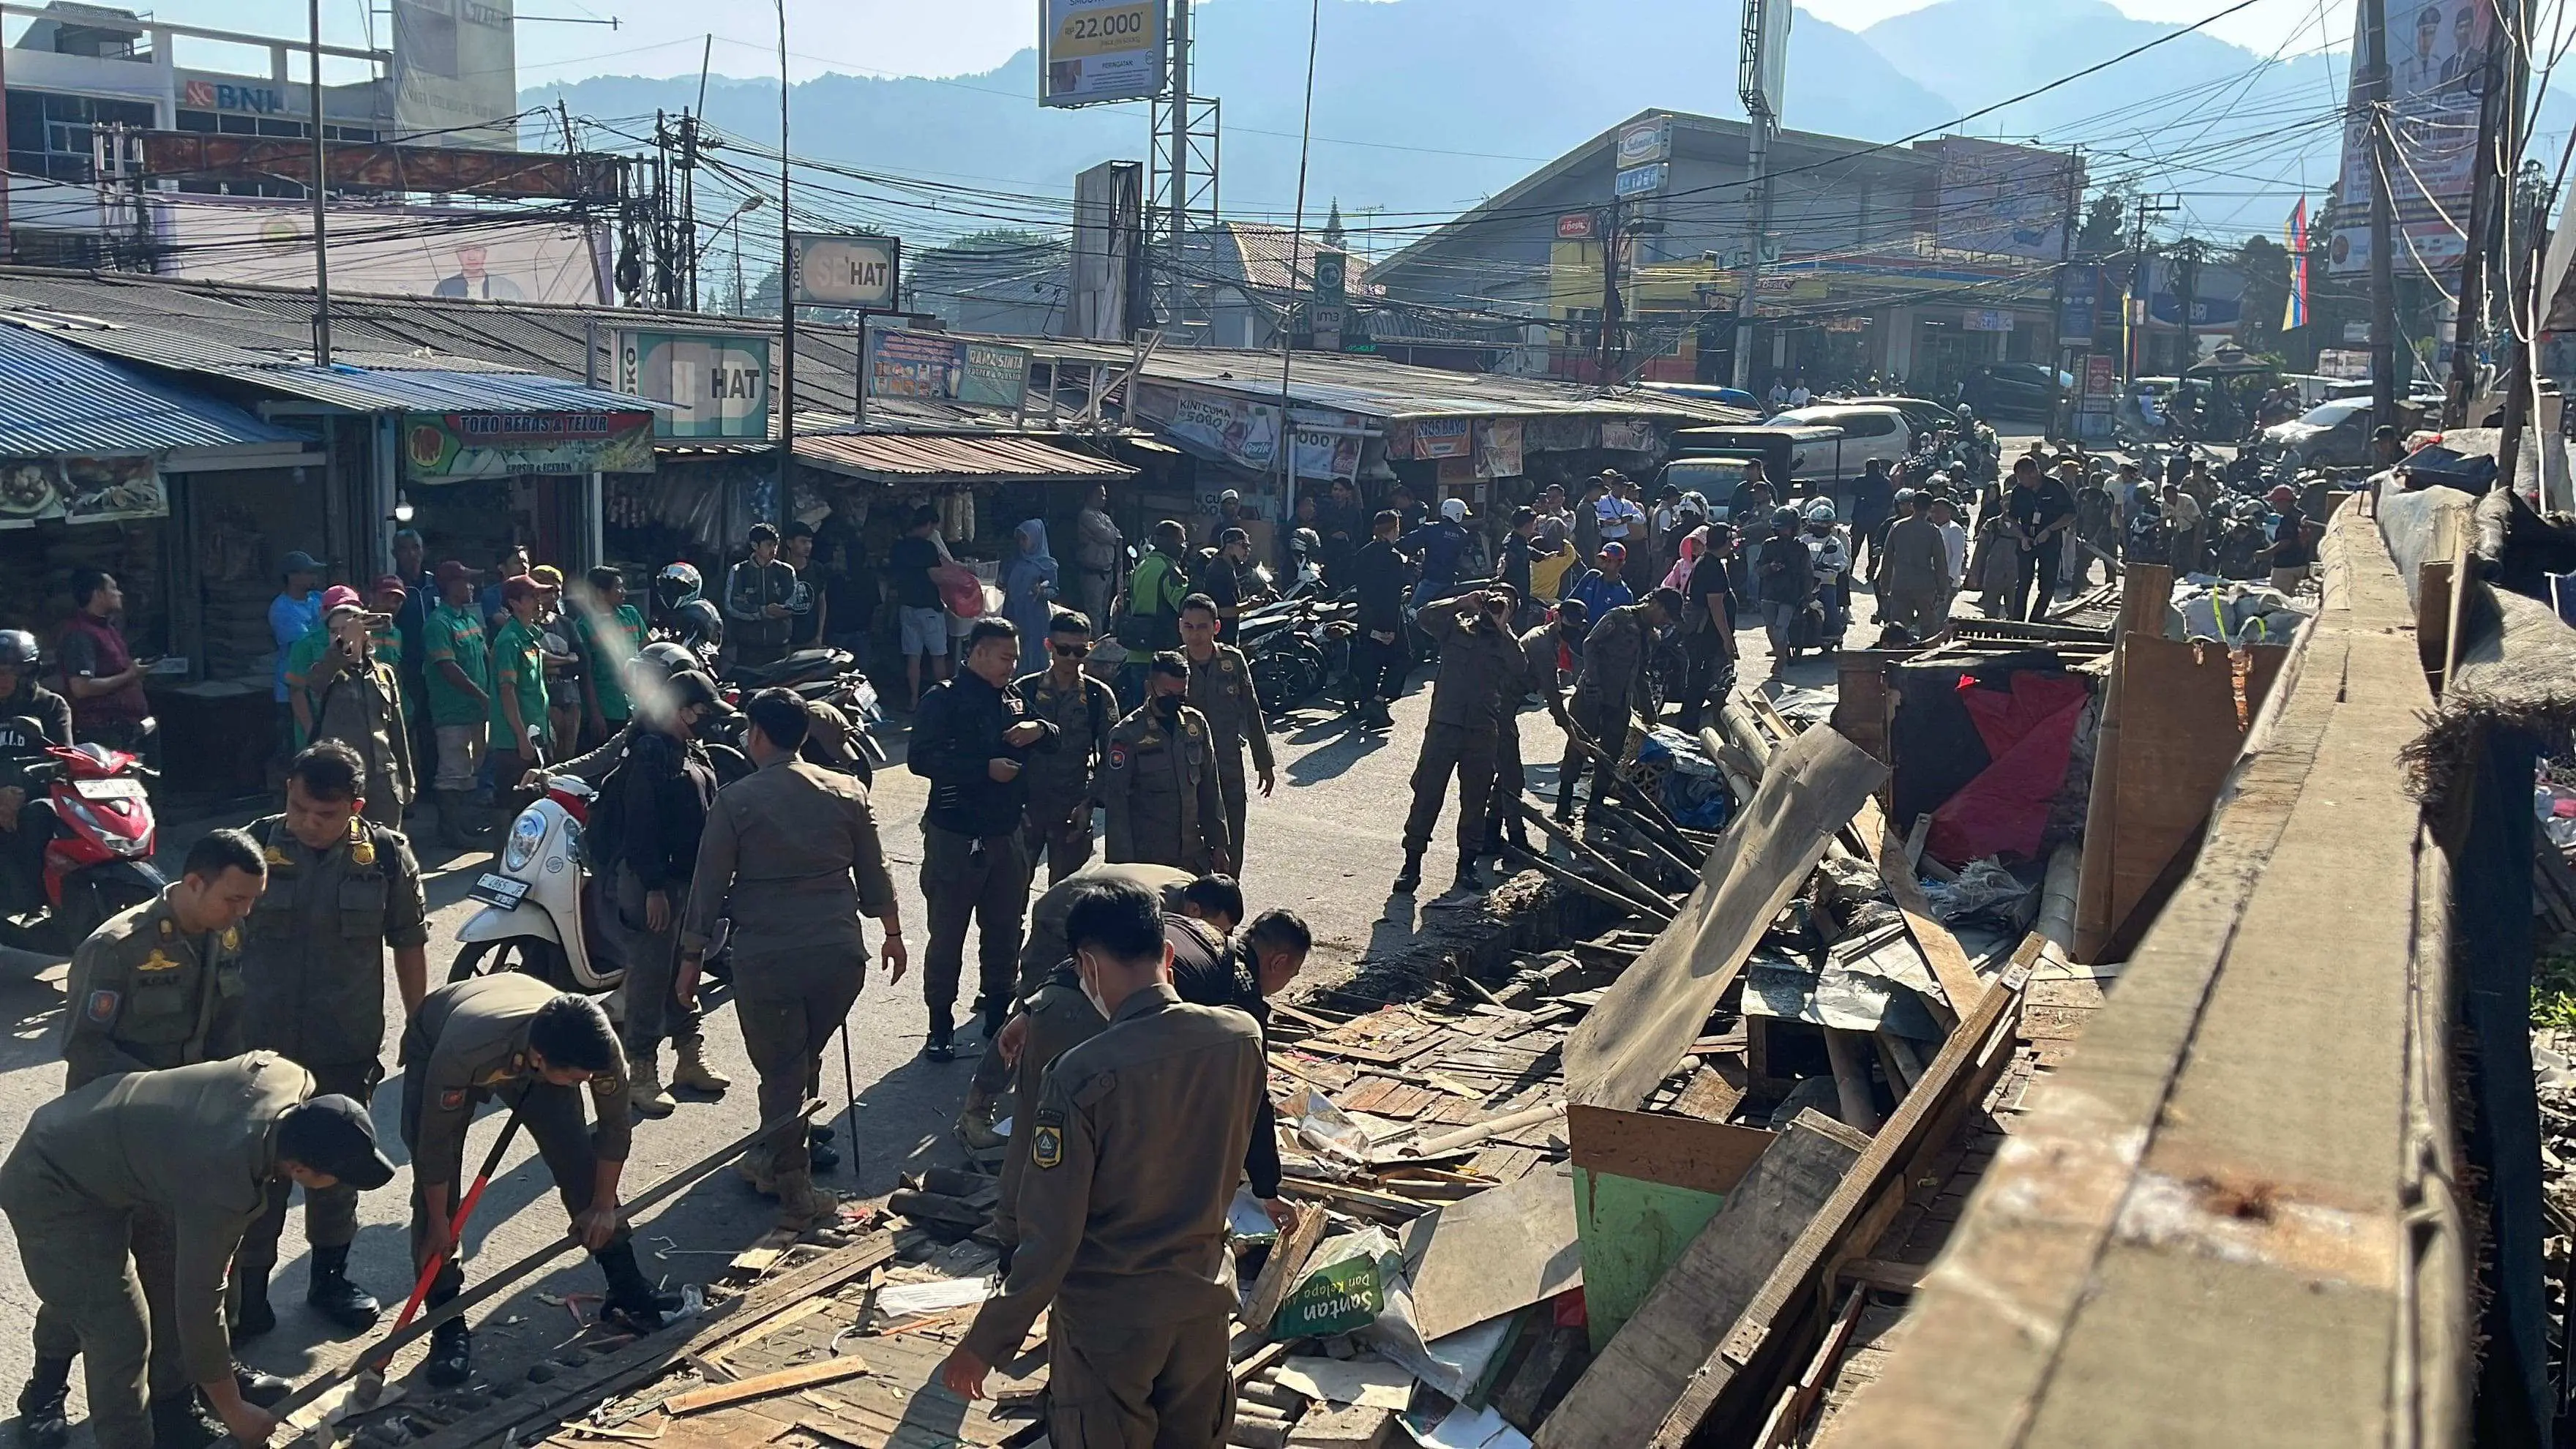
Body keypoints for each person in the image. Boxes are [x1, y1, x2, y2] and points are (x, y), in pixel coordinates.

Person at [938, 879, 1270, 1449]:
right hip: (1202, 1306)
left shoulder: (1080, 1073)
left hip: (1111, 1323)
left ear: (1086, 967)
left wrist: (986, 1340)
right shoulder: (1241, 1039)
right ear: (1167, 955)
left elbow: (1052, 1235)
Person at [2, 1055, 393, 1449]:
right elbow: (200, 1302)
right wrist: (235, 1412)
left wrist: (221, 1386)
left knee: (129, 1286)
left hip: (128, 1161)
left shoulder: (292, 1083)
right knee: (117, 1329)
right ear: (299, 1169)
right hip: (53, 1179)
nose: (342, 1185)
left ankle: (175, 1408)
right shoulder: (224, 1178)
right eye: (338, 1177)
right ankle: (56, 1399)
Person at [29, 828, 269, 1449]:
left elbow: (226, 1030)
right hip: (110, 1144)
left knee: (179, 1269)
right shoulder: (116, 949)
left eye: (249, 901)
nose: (242, 912)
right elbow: (85, 1050)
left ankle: (182, 1391)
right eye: (233, 899)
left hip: (184, 1142)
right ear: (194, 883)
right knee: (89, 1277)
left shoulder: (226, 934)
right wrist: (167, 1103)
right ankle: (45, 1388)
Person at [682, 689, 906, 1221]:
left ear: (757, 735)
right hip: (839, 955)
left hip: (770, 956)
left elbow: (708, 887)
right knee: (802, 1056)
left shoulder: (737, 801)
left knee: (782, 1068)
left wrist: (690, 960)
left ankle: (792, 1188)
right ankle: (774, 1150)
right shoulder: (847, 791)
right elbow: (876, 875)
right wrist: (894, 934)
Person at [229, 743, 425, 1341]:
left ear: (355, 807)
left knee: (336, 1172)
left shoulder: (386, 856)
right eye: (298, 809)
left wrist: (420, 1031)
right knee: (256, 1179)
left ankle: (329, 1279)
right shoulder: (253, 846)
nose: (309, 825)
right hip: (258, 1053)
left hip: (343, 1044)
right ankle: (250, 1292)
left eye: (325, 814)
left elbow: (410, 943)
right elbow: (214, 937)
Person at [989, 894, 1303, 1257]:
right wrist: (1267, 1187)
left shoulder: (1176, 928)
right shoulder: (1240, 987)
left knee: (1035, 1127)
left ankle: (1011, 1244)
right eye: (1291, 975)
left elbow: (1088, 949)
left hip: (1057, 1003)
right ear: (1278, 962)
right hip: (1102, 1019)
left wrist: (1032, 1009)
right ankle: (1068, 1251)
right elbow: (1253, 1098)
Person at [404, 978, 673, 1388]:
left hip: (533, 1043)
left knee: (577, 1158)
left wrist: (603, 1206)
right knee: (435, 1201)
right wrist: (441, 1224)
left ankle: (626, 1284)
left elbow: (615, 1129)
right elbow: (434, 1149)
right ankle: (446, 1323)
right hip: (444, 1038)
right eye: (574, 1079)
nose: (583, 1085)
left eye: (587, 1079)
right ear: (540, 1058)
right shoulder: (464, 1051)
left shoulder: (596, 1048)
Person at [957, 863, 1205, 1154]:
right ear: (1196, 910)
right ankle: (977, 1108)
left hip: (1085, 902)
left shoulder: (1186, 888)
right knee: (1036, 1007)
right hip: (1062, 912)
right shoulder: (1150, 909)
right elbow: (1081, 965)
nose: (1203, 933)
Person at [909, 619, 1056, 1058]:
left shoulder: (1012, 697)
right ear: (977, 653)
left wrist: (1039, 731)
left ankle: (997, 1015)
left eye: (1014, 658)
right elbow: (920, 759)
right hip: (955, 835)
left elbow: (1055, 736)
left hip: (1006, 834)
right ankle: (940, 1025)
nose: (1013, 666)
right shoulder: (944, 699)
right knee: (947, 935)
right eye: (1005, 657)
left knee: (1005, 930)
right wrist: (982, 769)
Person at [591, 669, 729, 1120]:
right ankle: (641, 1073)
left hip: (687, 884)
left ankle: (689, 1057)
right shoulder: (650, 755)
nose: (708, 721)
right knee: (651, 977)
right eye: (702, 712)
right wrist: (653, 888)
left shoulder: (690, 751)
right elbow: (640, 827)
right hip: (654, 886)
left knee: (686, 969)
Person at [1396, 587, 1527, 896]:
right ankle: (1411, 864)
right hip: (1445, 725)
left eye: (1504, 603)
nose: (1495, 604)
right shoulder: (1456, 626)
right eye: (1493, 598)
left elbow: (1520, 667)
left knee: (1475, 800)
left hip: (1481, 730)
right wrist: (1462, 601)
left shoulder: (1506, 640)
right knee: (1427, 794)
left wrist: (1502, 626)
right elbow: (1423, 616)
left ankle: (1466, 863)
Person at [1101, 653, 1230, 876]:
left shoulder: (1195, 724)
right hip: (1148, 860)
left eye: (1181, 696)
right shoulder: (1127, 735)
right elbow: (1117, 806)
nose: (1175, 702)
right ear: (1149, 687)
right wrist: (1120, 868)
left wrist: (1219, 843)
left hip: (1193, 855)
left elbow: (1210, 787)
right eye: (1167, 694)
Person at [1015, 610, 1118, 884]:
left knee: (1065, 903)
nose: (1072, 658)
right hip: (1027, 808)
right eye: (1064, 650)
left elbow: (1111, 757)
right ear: (1049, 646)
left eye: (1079, 651)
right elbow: (1004, 752)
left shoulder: (1098, 696)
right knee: (1009, 899)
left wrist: (1090, 803)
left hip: (1073, 810)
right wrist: (1013, 805)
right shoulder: (1024, 691)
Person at [1557, 591, 1677, 823]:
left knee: (1610, 756)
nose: (1666, 620)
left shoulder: (1650, 636)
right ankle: (1563, 806)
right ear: (1654, 604)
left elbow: (1642, 673)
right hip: (1591, 695)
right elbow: (1589, 644)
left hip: (1619, 700)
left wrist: (1649, 708)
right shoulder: (1620, 617)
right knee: (1578, 748)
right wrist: (1592, 680)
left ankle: (1595, 807)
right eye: (1665, 614)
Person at [301, 594, 415, 830]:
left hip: (383, 779)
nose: (340, 635)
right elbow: (316, 683)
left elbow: (397, 731)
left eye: (347, 628)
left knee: (388, 850)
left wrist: (407, 778)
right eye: (334, 631)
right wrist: (343, 645)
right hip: (342, 780)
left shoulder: (384, 674)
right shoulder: (328, 672)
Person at [1178, 596, 1274, 872]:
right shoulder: (1173, 666)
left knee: (1232, 845)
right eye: (1189, 626)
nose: (1195, 634)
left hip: (1228, 766)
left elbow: (1252, 712)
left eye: (1202, 627)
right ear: (1180, 627)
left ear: (1216, 627)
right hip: (1187, 770)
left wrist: (1264, 761)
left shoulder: (1233, 661)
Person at [1492, 598, 1584, 854]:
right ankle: (1516, 841)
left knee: (1504, 774)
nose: (1573, 629)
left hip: (1505, 707)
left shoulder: (1551, 640)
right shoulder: (1543, 645)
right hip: (1497, 707)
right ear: (1557, 618)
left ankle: (1488, 834)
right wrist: (1574, 737)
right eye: (1569, 623)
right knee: (1513, 777)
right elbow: (1553, 697)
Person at [418, 561, 491, 852]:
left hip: (475, 711)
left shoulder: (468, 620)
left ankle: (464, 826)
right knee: (452, 771)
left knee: (471, 770)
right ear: (450, 586)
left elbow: (485, 657)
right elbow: (448, 668)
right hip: (453, 711)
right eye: (466, 582)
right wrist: (482, 696)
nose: (472, 587)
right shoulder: (438, 623)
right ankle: (450, 831)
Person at [0, 629, 72, 908]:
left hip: (35, 794)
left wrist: (20, 794)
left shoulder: (51, 706)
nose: (1, 679)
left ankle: (38, 905)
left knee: (39, 816)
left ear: (27, 672)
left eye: (8, 671)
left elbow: (62, 761)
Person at [57, 568, 152, 759]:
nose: (120, 593)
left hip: (125, 731)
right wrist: (130, 675)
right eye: (113, 588)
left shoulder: (106, 628)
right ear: (98, 594)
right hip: (104, 733)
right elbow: (81, 688)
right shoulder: (80, 634)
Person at [487, 576, 556, 828]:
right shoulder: (509, 641)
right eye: (532, 597)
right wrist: (520, 737)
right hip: (515, 740)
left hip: (536, 734)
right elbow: (508, 692)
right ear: (515, 604)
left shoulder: (530, 637)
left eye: (540, 596)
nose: (540, 602)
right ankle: (506, 857)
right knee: (511, 801)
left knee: (536, 799)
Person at [1344, 510, 1411, 727]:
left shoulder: (1363, 553)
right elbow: (1391, 596)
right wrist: (1390, 628)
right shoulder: (1392, 558)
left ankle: (1368, 703)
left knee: (1371, 661)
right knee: (1403, 658)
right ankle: (1379, 700)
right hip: (1387, 616)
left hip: (1366, 615)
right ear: (1392, 530)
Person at [1674, 526, 1740, 733]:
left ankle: (1698, 726)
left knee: (1702, 684)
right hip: (1707, 637)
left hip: (1707, 636)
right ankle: (1689, 730)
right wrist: (1728, 641)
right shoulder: (1711, 567)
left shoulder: (1707, 562)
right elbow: (1716, 607)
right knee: (1701, 685)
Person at [889, 506, 953, 708]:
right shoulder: (927, 548)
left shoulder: (898, 547)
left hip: (907, 608)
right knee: (938, 656)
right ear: (927, 525)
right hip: (929, 610)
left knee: (913, 657)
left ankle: (913, 700)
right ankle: (942, 701)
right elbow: (936, 576)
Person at [269, 551, 326, 756]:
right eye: (309, 572)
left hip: (317, 689)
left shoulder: (318, 599)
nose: (315, 577)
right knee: (294, 750)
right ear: (292, 577)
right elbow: (306, 644)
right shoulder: (281, 608)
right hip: (291, 690)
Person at [1873, 490, 1953, 639]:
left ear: (1912, 506)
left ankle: (1897, 655)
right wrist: (1942, 591)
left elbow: (1888, 559)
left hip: (1900, 584)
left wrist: (1884, 586)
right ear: (1930, 509)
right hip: (1925, 587)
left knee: (1898, 628)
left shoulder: (1897, 527)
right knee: (1929, 628)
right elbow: (1940, 564)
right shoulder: (1933, 531)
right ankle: (1925, 656)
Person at [2004, 456, 2075, 622]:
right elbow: (2012, 519)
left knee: (2047, 584)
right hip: (2027, 539)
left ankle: (2036, 619)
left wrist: (2050, 529)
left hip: (2049, 540)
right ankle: (2017, 622)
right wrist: (2022, 537)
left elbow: (2070, 514)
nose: (2020, 481)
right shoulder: (2019, 491)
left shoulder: (2055, 487)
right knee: (2022, 584)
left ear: (2034, 473)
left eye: (2023, 477)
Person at [723, 523, 799, 670]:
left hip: (780, 646)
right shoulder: (739, 571)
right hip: (748, 648)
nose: (774, 549)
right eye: (769, 545)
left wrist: (782, 609)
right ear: (754, 546)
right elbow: (732, 605)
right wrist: (762, 611)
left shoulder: (786, 571)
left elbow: (794, 601)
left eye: (776, 545)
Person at [1754, 512, 1816, 665]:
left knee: (1781, 629)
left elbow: (1808, 573)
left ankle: (1780, 663)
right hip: (1769, 594)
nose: (1784, 532)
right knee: (1770, 629)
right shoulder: (1768, 545)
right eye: (1780, 528)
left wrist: (1808, 596)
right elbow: (1758, 569)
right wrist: (1771, 567)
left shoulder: (1801, 548)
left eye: (1786, 528)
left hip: (1790, 595)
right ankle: (1781, 653)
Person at [1400, 498, 1474, 609]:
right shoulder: (1463, 535)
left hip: (1431, 581)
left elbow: (1406, 543)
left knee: (1412, 611)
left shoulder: (1430, 529)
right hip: (1451, 582)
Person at [1070, 484, 1123, 632]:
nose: (1103, 498)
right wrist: (1112, 536)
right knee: (1094, 614)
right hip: (1092, 572)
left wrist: (1113, 536)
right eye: (1100, 494)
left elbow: (1118, 535)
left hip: (1107, 571)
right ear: (1090, 495)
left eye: (1104, 495)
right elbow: (1106, 535)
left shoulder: (1104, 516)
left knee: (1105, 611)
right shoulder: (1086, 515)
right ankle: (1096, 644)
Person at [1002, 518, 1063, 648]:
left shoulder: (1048, 565)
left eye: (1025, 539)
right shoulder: (1014, 561)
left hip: (1035, 617)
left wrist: (1041, 592)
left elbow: (1054, 590)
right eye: (1019, 539)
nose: (1021, 543)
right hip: (1013, 613)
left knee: (1035, 651)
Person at [1194, 527, 1256, 640]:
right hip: (1221, 637)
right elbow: (1224, 610)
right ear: (1229, 546)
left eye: (1248, 546)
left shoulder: (1226, 567)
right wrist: (1251, 605)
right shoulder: (1220, 570)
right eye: (1243, 545)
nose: (1248, 550)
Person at [782, 523, 829, 651]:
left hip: (810, 639)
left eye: (810, 542)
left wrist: (819, 635)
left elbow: (822, 602)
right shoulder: (780, 570)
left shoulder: (817, 569)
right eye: (803, 542)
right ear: (790, 543)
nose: (807, 546)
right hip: (785, 640)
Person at [1849, 459, 1895, 579]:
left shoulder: (1860, 481)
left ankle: (1849, 570)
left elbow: (1851, 490)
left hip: (1861, 520)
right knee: (1873, 549)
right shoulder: (1886, 483)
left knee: (1854, 548)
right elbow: (1891, 501)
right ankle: (1870, 574)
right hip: (1877, 521)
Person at [1567, 542, 1634, 621]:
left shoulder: (1625, 595)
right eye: (1603, 559)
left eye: (1609, 560)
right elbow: (1569, 602)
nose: (1604, 563)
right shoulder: (1591, 576)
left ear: (1620, 564)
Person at [1528, 516, 1579, 606]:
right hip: (1549, 600)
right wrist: (1565, 542)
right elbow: (1572, 556)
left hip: (1530, 595)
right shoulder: (1560, 563)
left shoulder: (1533, 559)